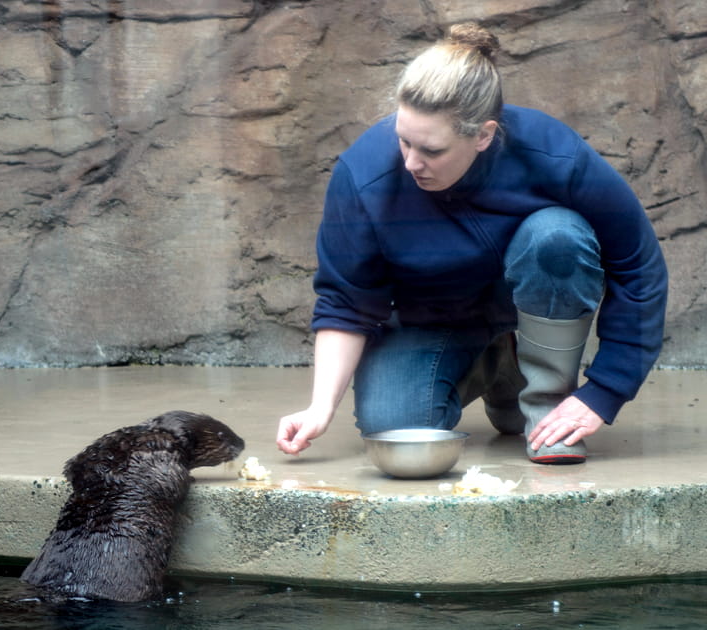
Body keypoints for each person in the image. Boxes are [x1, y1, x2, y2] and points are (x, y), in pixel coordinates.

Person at [276, 23, 668, 464]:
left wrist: (604, 392)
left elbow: (638, 266)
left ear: (483, 135)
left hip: (531, 309)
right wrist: (320, 406)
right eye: (403, 140)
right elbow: (345, 302)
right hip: (432, 321)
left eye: (431, 150)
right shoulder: (363, 175)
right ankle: (499, 373)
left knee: (558, 238)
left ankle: (545, 405)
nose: (410, 163)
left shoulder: (554, 154)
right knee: (393, 426)